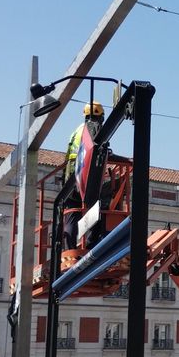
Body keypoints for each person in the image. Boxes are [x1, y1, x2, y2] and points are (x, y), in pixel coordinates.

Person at [64, 102, 105, 248]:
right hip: (84, 173)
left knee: (72, 213)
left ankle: (69, 248)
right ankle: (91, 244)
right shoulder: (93, 127)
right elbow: (96, 149)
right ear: (99, 116)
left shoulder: (76, 131)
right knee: (98, 208)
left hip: (70, 175)